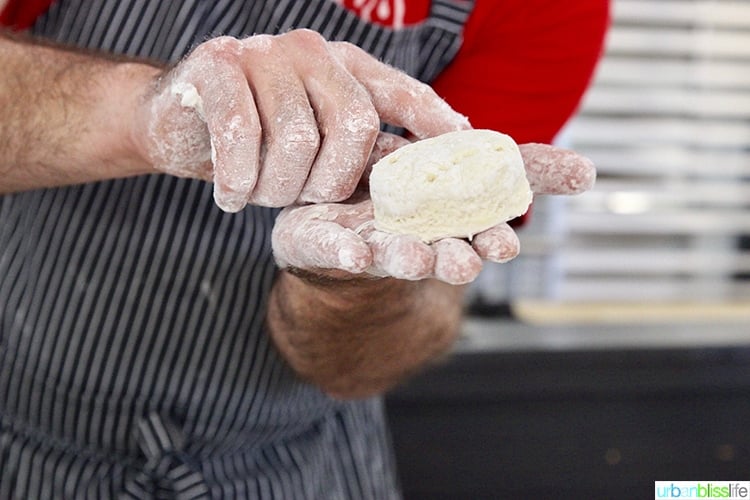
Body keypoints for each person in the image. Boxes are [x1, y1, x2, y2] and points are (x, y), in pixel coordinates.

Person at [0, 0, 609, 497]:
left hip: (286, 464)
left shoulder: (545, 10)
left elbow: (371, 357)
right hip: (22, 435)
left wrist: (350, 283)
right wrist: (140, 114)